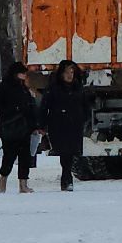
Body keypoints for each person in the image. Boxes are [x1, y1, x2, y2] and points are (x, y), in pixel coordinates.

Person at [39, 59, 90, 192]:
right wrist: (42, 124)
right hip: (58, 124)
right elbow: (45, 106)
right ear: (61, 73)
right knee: (64, 152)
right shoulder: (54, 88)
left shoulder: (78, 87)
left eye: (72, 72)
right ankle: (67, 179)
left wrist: (85, 117)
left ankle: (66, 178)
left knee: (71, 152)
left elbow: (85, 104)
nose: (70, 75)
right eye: (67, 72)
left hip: (74, 124)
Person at [0, 62, 40, 194]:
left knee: (25, 157)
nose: (24, 75)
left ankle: (23, 184)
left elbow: (30, 107)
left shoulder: (24, 88)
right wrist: (12, 111)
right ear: (15, 73)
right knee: (9, 155)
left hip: (24, 128)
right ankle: (3, 180)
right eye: (22, 73)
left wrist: (35, 125)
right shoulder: (5, 87)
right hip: (10, 128)